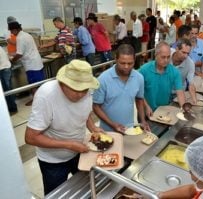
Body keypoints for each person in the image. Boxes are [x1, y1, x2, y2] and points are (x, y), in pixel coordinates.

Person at [25, 59, 101, 195]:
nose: (80, 94)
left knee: (86, 188)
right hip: (54, 160)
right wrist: (69, 145)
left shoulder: (86, 91)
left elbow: (85, 112)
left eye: (84, 90)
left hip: (79, 151)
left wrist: (93, 128)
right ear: (62, 82)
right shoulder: (46, 96)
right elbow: (30, 138)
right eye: (75, 89)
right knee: (57, 194)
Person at [93, 44, 149, 133]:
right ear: (116, 59)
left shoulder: (139, 78)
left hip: (129, 130)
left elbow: (139, 100)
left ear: (135, 60)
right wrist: (112, 124)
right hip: (108, 131)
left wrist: (142, 120)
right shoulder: (103, 79)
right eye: (122, 63)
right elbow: (96, 107)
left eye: (130, 63)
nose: (126, 66)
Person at [139, 41, 185, 117]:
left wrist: (184, 109)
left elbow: (180, 93)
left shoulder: (174, 72)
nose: (166, 60)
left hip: (163, 111)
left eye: (168, 57)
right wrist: (146, 106)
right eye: (163, 57)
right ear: (156, 55)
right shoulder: (144, 70)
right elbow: (138, 92)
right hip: (146, 111)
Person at [9, 21, 45, 106]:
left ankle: (36, 101)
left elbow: (20, 54)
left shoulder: (20, 38)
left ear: (14, 30)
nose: (11, 33)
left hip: (31, 65)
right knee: (39, 83)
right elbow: (26, 49)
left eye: (11, 31)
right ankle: (42, 99)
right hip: (37, 62)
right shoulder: (27, 35)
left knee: (33, 84)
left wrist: (12, 60)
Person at [170, 38, 197, 104]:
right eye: (183, 52)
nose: (185, 56)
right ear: (176, 49)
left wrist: (194, 99)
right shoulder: (167, 54)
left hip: (178, 93)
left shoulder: (190, 63)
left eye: (188, 53)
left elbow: (191, 84)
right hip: (163, 91)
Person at [0, 46, 18, 114]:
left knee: (7, 90)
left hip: (4, 70)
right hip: (5, 68)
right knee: (7, 90)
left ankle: (12, 109)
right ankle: (11, 108)